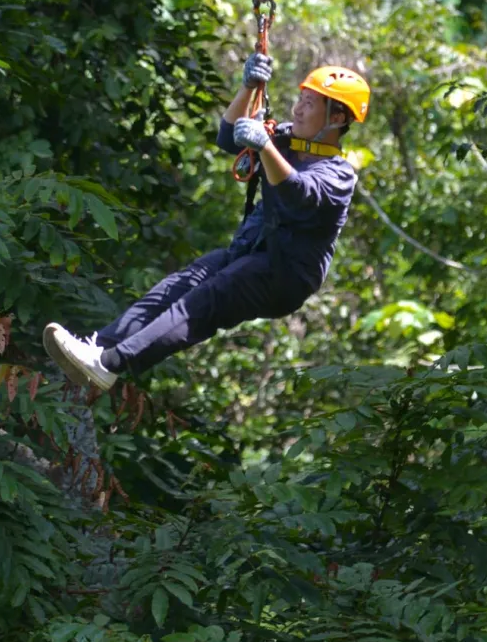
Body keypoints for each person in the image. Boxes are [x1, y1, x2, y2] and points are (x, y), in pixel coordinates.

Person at [43, 53, 369, 392]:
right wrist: (247, 89)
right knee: (179, 285)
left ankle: (109, 365)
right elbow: (229, 138)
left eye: (309, 104)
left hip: (284, 274)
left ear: (337, 117)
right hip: (249, 253)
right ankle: (97, 346)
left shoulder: (338, 175)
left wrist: (265, 145)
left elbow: (296, 193)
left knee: (209, 297)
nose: (297, 110)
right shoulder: (285, 140)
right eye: (300, 101)